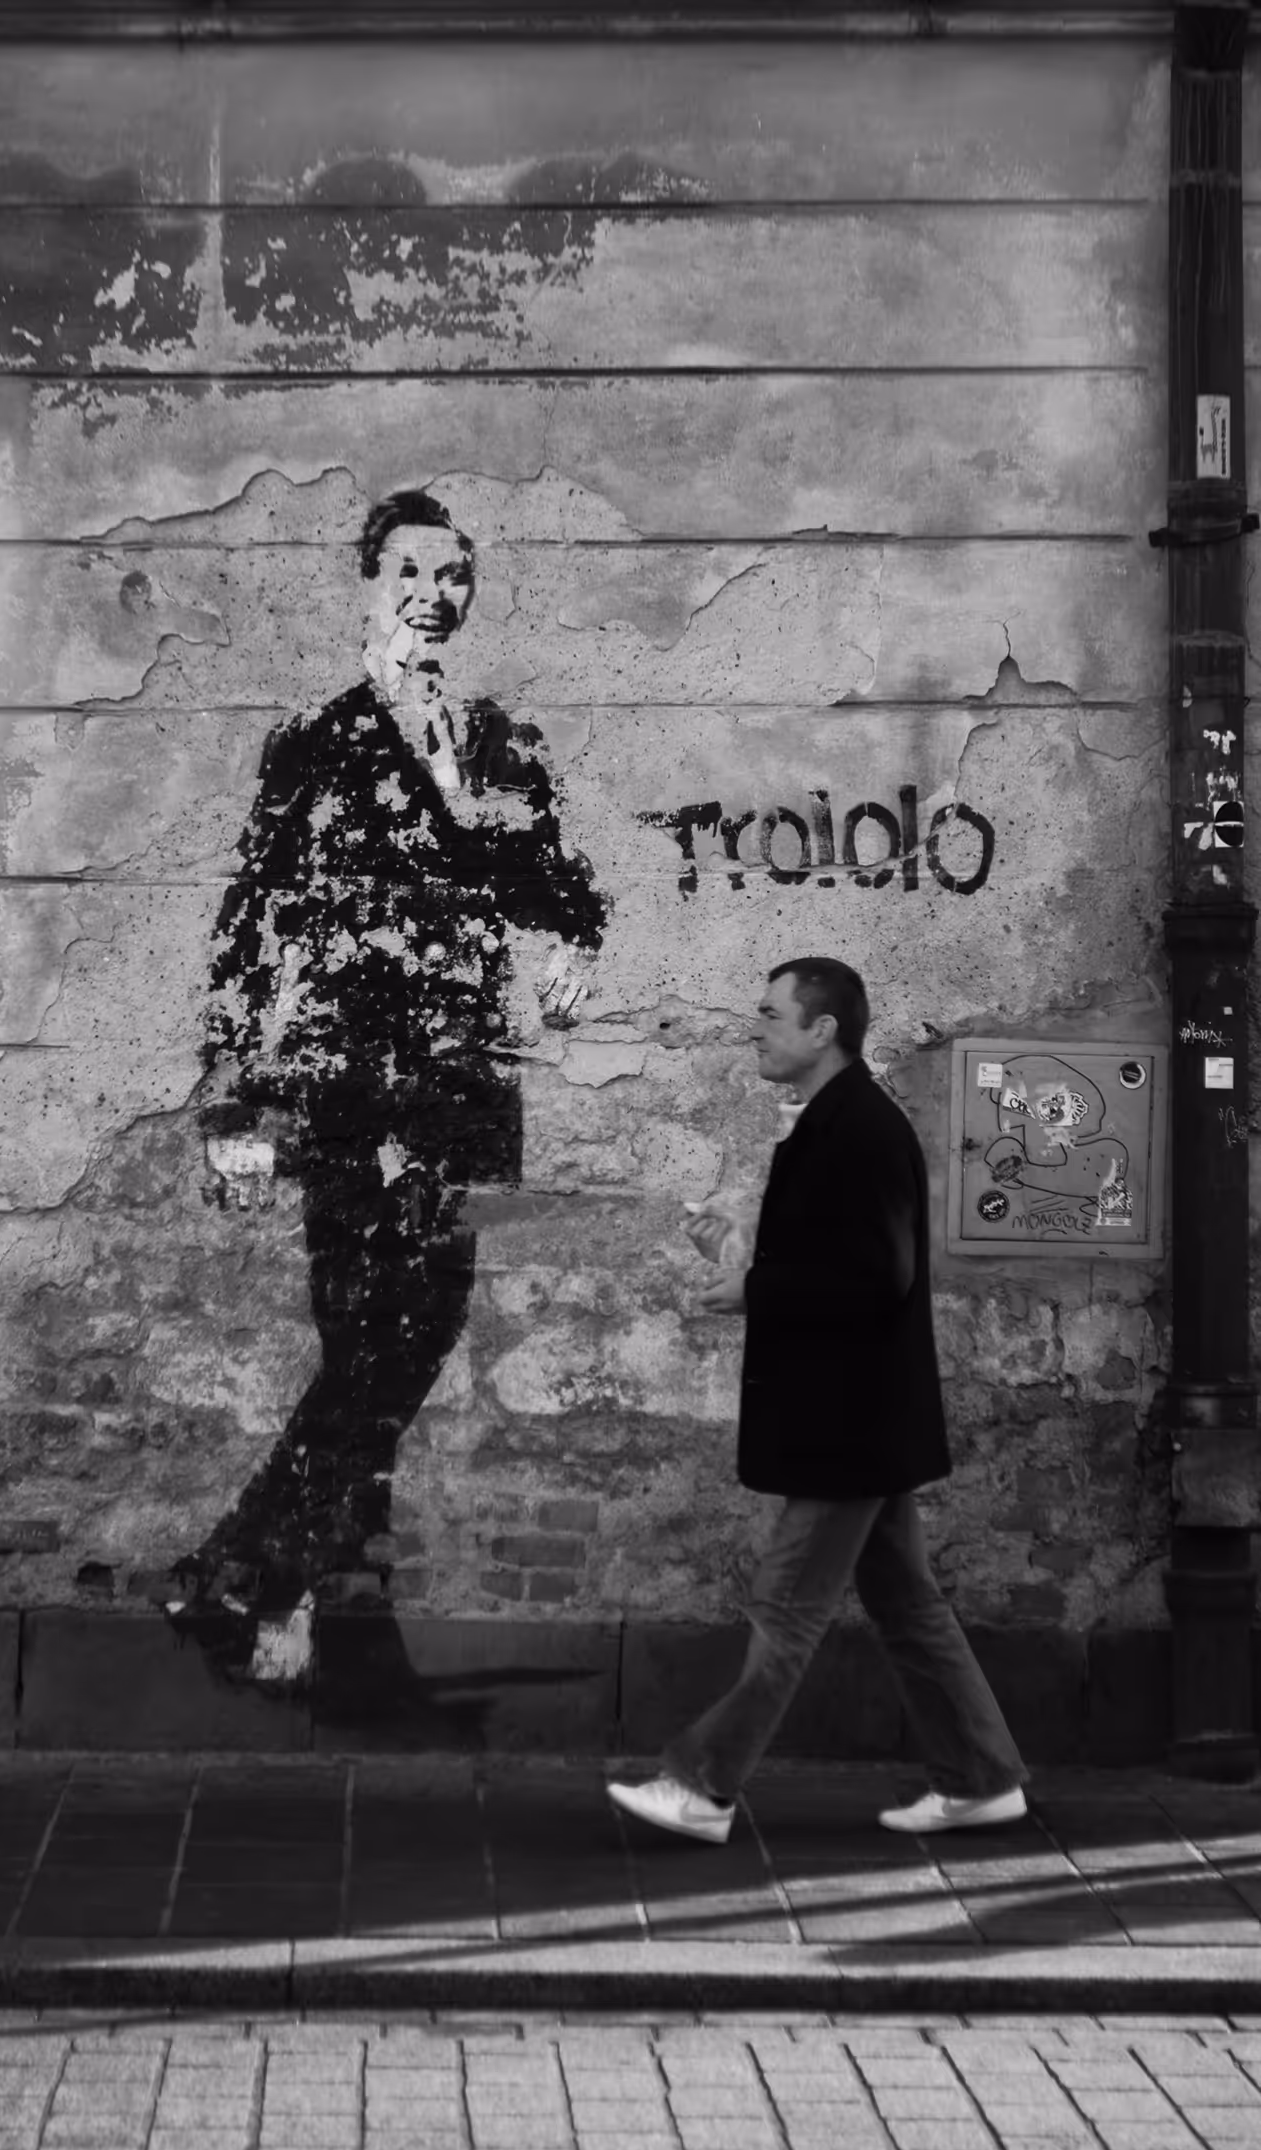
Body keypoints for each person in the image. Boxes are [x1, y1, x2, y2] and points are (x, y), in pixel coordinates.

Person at [167, 489, 605, 1680]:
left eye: (455, 575)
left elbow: (553, 880)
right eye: (412, 571)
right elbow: (247, 926)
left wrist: (575, 943)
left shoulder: (504, 742)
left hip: (461, 1085)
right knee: (366, 1341)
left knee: (425, 1328)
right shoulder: (316, 743)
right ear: (371, 581)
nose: (435, 595)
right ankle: (284, 1586)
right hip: (346, 1086)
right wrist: (233, 1101)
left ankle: (245, 1575)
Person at [607, 957, 1028, 1841]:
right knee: (908, 1605)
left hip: (851, 1422)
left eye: (769, 1013)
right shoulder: (834, 1122)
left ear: (822, 1028)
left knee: (787, 1608)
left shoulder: (863, 1130)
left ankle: (701, 1785)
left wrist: (758, 1291)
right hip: (861, 1417)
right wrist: (747, 1254)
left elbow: (882, 1276)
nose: (753, 1027)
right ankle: (983, 1776)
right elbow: (838, 1259)